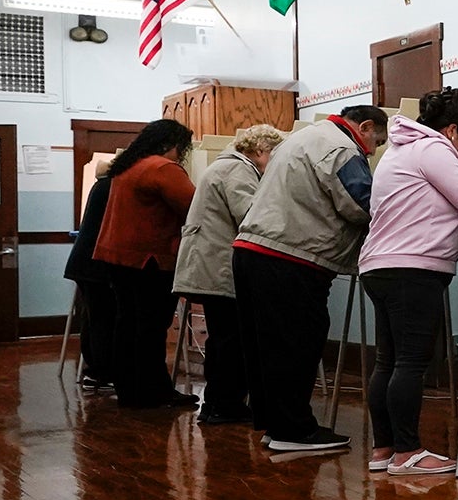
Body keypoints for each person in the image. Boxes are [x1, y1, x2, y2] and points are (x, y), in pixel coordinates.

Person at [233, 104, 386, 453]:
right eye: (376, 142)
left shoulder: (303, 137)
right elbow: (360, 203)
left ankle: (277, 424)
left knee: (267, 348)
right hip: (290, 254)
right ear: (363, 127)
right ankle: (294, 430)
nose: (373, 151)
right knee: (297, 343)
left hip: (254, 249)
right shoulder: (342, 147)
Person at [359, 90, 458, 476]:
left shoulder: (400, 149)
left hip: (380, 266)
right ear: (451, 130)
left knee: (388, 360)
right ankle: (408, 453)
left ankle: (384, 449)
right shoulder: (433, 149)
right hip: (412, 268)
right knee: (411, 361)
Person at [173, 123, 284, 428]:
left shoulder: (224, 166)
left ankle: (218, 405)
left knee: (224, 339)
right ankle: (225, 405)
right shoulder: (237, 170)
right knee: (231, 341)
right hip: (219, 267)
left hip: (210, 265)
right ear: (260, 150)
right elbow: (251, 215)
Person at [90, 119, 197, 409]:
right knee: (151, 328)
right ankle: (153, 393)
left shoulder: (128, 167)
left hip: (118, 259)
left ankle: (132, 391)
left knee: (127, 325)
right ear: (171, 145)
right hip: (149, 259)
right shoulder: (162, 168)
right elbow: (195, 206)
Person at [62, 165, 119, 392]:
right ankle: (102, 373)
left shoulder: (100, 185)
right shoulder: (113, 188)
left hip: (84, 262)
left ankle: (95, 373)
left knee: (94, 318)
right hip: (97, 263)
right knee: (104, 318)